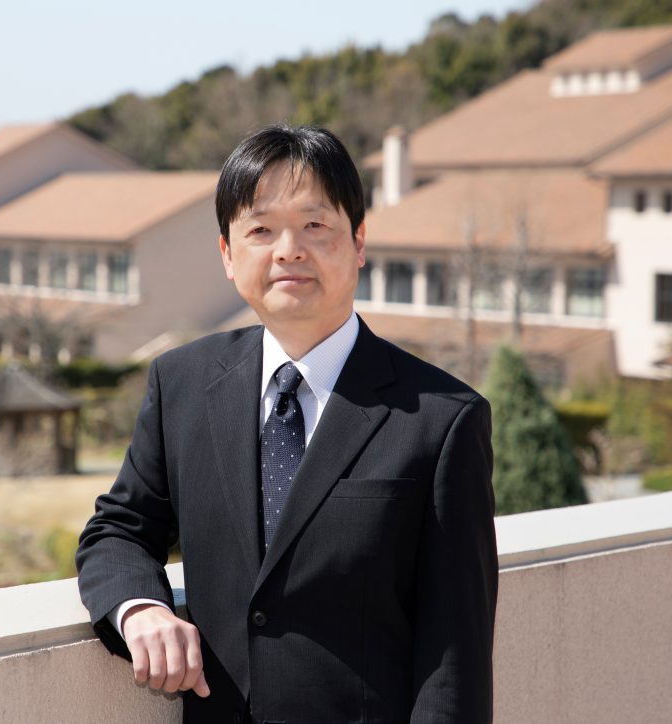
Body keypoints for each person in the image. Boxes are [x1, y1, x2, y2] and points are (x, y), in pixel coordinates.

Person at [77, 124, 498, 723]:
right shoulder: (182, 384)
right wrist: (140, 608)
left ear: (358, 242)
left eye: (315, 225)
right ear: (228, 255)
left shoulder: (442, 419)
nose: (288, 250)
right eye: (260, 230)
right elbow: (118, 530)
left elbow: (454, 662)